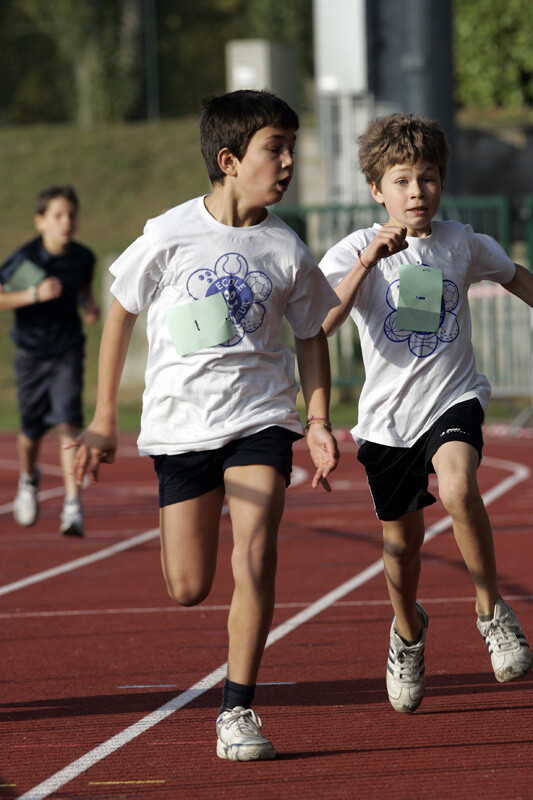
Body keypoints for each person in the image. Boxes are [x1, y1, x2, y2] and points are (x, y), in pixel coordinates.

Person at [70, 89, 340, 760]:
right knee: (188, 587)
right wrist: (102, 417)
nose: (288, 163)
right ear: (228, 160)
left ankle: (236, 707)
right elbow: (120, 310)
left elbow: (311, 332)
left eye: (291, 149)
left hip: (260, 420)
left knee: (256, 553)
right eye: (274, 149)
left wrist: (316, 419)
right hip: (182, 428)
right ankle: (203, 514)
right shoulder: (169, 233)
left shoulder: (286, 247)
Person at [319, 112, 533, 714]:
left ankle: (491, 612)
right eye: (403, 180)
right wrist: (366, 261)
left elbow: (517, 279)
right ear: (376, 189)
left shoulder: (462, 242)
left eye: (429, 178)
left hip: (452, 396)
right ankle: (407, 633)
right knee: (402, 544)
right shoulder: (353, 250)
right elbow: (321, 322)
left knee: (460, 487)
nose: (418, 191)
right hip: (388, 420)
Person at [0, 185, 99, 537]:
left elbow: (83, 288)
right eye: (57, 216)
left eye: (71, 215)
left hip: (67, 350)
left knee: (68, 421)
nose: (66, 222)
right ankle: (29, 479)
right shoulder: (24, 260)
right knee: (31, 431)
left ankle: (73, 505)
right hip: (31, 354)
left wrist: (88, 304)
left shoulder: (83, 258)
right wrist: (33, 294)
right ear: (40, 222)